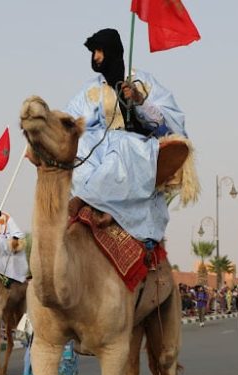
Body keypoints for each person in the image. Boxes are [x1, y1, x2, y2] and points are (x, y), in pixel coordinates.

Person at [64, 28, 195, 243]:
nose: (95, 57)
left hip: (140, 146)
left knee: (122, 143)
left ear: (112, 51)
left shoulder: (143, 80)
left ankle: (93, 203)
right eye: (93, 52)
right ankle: (97, 203)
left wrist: (140, 100)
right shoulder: (91, 90)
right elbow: (73, 121)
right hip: (105, 148)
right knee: (81, 145)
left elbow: (171, 122)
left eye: (99, 51)